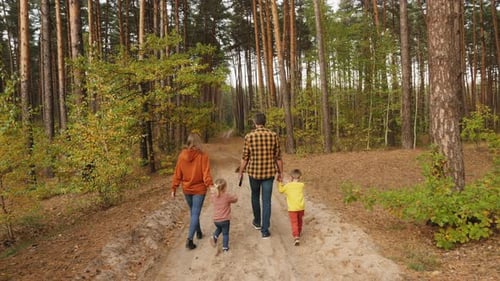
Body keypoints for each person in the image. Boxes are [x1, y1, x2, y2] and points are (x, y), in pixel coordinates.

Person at [239, 112, 283, 239]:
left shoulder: (249, 137)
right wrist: (281, 172)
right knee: (267, 200)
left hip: (254, 173)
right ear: (265, 122)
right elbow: (278, 157)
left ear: (255, 123)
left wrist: (241, 171)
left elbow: (245, 157)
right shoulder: (273, 135)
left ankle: (257, 221)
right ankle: (265, 230)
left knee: (254, 196)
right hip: (269, 173)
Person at [171, 133, 213, 250]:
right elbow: (206, 174)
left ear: (188, 142)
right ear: (198, 143)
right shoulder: (203, 156)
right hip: (199, 189)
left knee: (193, 212)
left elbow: (177, 173)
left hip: (187, 189)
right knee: (195, 213)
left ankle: (198, 232)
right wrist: (210, 186)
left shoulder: (181, 156)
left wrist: (174, 188)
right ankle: (189, 239)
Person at [210, 178, 238, 252]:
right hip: (225, 219)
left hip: (216, 220)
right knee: (225, 234)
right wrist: (234, 195)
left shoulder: (213, 196)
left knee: (219, 228)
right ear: (225, 188)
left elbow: (212, 200)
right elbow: (235, 199)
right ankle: (225, 247)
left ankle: (214, 237)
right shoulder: (226, 196)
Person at [278, 169, 305, 246]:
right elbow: (299, 185)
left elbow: (281, 190)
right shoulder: (301, 185)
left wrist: (280, 182)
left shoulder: (287, 186)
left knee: (294, 222)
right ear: (300, 177)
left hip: (292, 208)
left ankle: (296, 237)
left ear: (290, 177)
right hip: (301, 207)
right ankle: (299, 232)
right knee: (300, 221)